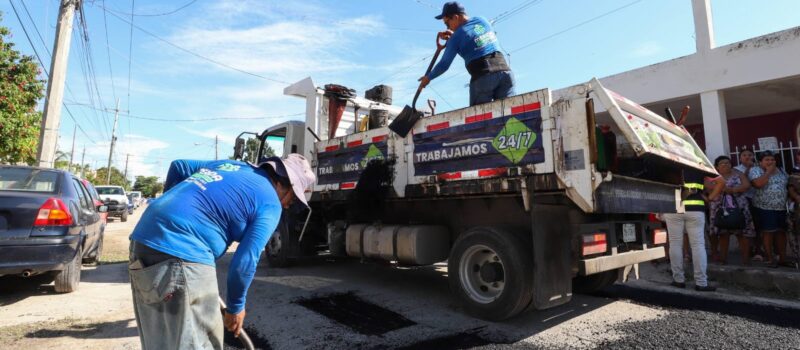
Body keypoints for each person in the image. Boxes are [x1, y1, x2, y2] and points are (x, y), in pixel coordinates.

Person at [128, 154, 315, 349]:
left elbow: (179, 166)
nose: (289, 205)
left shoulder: (231, 165)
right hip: (185, 250)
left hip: (143, 239)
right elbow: (245, 261)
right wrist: (236, 307)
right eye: (293, 198)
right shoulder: (271, 204)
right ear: (283, 184)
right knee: (202, 342)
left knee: (161, 340)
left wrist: (170, 208)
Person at [418, 1, 515, 106]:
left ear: (455, 17)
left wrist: (428, 78)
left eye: (447, 23)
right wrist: (454, 36)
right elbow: (473, 38)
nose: (447, 28)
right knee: (509, 112)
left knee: (480, 115)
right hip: (505, 72)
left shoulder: (455, 38)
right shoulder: (482, 20)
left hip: (483, 77)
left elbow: (444, 64)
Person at [663, 167, 724, 291]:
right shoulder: (697, 164)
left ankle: (678, 280)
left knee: (675, 244)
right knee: (698, 245)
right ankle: (701, 283)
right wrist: (710, 198)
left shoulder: (666, 164)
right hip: (695, 208)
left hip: (673, 207)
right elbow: (721, 181)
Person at [707, 156, 755, 265]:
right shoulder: (712, 175)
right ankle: (723, 259)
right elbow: (709, 187)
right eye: (722, 163)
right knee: (723, 234)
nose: (725, 165)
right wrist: (723, 189)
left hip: (739, 206)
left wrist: (732, 190)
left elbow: (746, 185)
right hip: (719, 207)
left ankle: (746, 260)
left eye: (727, 162)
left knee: (742, 233)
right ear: (717, 166)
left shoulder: (738, 173)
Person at [748, 151, 789, 268]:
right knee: (768, 232)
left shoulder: (781, 170)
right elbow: (758, 184)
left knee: (781, 232)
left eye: (772, 159)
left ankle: (782, 259)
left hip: (781, 207)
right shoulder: (755, 170)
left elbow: (787, 184)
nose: (770, 162)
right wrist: (768, 172)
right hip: (764, 207)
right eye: (767, 160)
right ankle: (770, 259)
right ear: (760, 162)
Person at [733, 149, 763, 261]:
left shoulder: (759, 168)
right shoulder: (736, 169)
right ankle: (747, 250)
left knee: (758, 226)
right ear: (740, 158)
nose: (747, 157)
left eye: (750, 155)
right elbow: (741, 182)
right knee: (746, 226)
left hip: (757, 199)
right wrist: (748, 169)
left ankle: (758, 250)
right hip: (743, 200)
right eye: (744, 155)